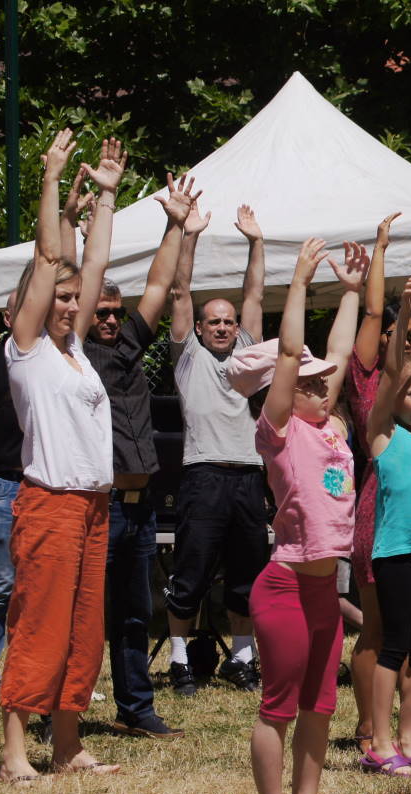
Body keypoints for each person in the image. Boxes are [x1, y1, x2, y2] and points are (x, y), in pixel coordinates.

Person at [226, 237, 365, 794]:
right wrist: (301, 283)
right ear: (281, 394)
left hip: (323, 595)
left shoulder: (331, 427)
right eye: (307, 383)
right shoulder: (277, 433)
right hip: (283, 589)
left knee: (321, 707)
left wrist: (355, 291)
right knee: (278, 706)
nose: (321, 386)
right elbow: (290, 353)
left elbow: (334, 351)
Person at [0, 131, 120, 783]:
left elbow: (87, 267)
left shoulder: (75, 355)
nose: (71, 304)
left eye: (77, 300)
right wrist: (50, 178)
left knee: (81, 630)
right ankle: (17, 751)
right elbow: (51, 257)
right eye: (59, 298)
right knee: (39, 625)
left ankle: (67, 746)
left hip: (95, 506)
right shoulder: (27, 352)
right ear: (24, 308)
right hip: (49, 504)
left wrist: (106, 197)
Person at [83, 173, 195, 740]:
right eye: (100, 310)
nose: (108, 318)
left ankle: (136, 708)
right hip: (97, 507)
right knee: (82, 617)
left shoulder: (127, 348)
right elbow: (84, 288)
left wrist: (174, 224)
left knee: (134, 613)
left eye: (113, 312)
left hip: (141, 505)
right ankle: (66, 709)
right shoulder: (73, 356)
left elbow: (157, 285)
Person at [344, 210, 411, 758]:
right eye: (396, 335)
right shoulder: (375, 383)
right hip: (378, 507)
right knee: (382, 629)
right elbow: (378, 332)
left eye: (407, 335)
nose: (404, 340)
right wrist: (384, 250)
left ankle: (405, 729)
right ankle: (373, 729)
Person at [163, 198, 272, 696]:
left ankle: (242, 659)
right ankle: (181, 662)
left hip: (249, 476)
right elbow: (180, 290)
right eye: (215, 322)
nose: (225, 327)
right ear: (201, 329)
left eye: (229, 321)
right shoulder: (189, 359)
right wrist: (189, 234)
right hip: (203, 475)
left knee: (248, 577)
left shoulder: (248, 355)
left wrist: (256, 242)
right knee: (190, 574)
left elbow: (255, 294)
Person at [0, 301, 25, 714]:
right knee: (0, 587)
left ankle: (38, 679)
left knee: (32, 591)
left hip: (38, 486)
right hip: (2, 484)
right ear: (7, 318)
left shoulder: (52, 359)